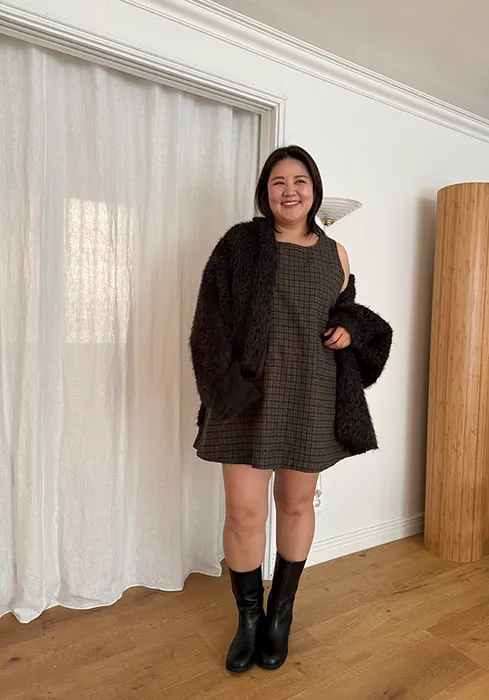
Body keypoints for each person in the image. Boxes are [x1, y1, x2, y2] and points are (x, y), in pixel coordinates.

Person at [190, 145, 392, 673]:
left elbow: (346, 310)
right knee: (243, 514)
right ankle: (248, 620)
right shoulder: (240, 245)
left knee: (297, 506)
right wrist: (223, 389)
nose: (290, 191)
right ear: (266, 192)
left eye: (300, 181)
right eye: (278, 182)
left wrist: (348, 328)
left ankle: (280, 615)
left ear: (314, 189)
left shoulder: (337, 253)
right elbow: (209, 322)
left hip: (311, 394)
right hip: (246, 398)